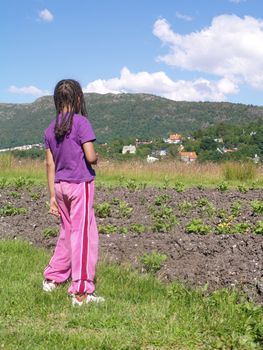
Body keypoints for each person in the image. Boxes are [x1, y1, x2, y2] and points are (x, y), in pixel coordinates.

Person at [42, 79, 104, 306]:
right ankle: (81, 292)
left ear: (57, 101)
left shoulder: (49, 129)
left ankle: (53, 278)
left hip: (59, 186)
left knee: (67, 233)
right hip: (80, 186)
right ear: (78, 98)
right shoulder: (81, 123)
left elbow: (50, 165)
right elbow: (90, 156)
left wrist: (51, 197)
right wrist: (96, 158)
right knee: (84, 235)